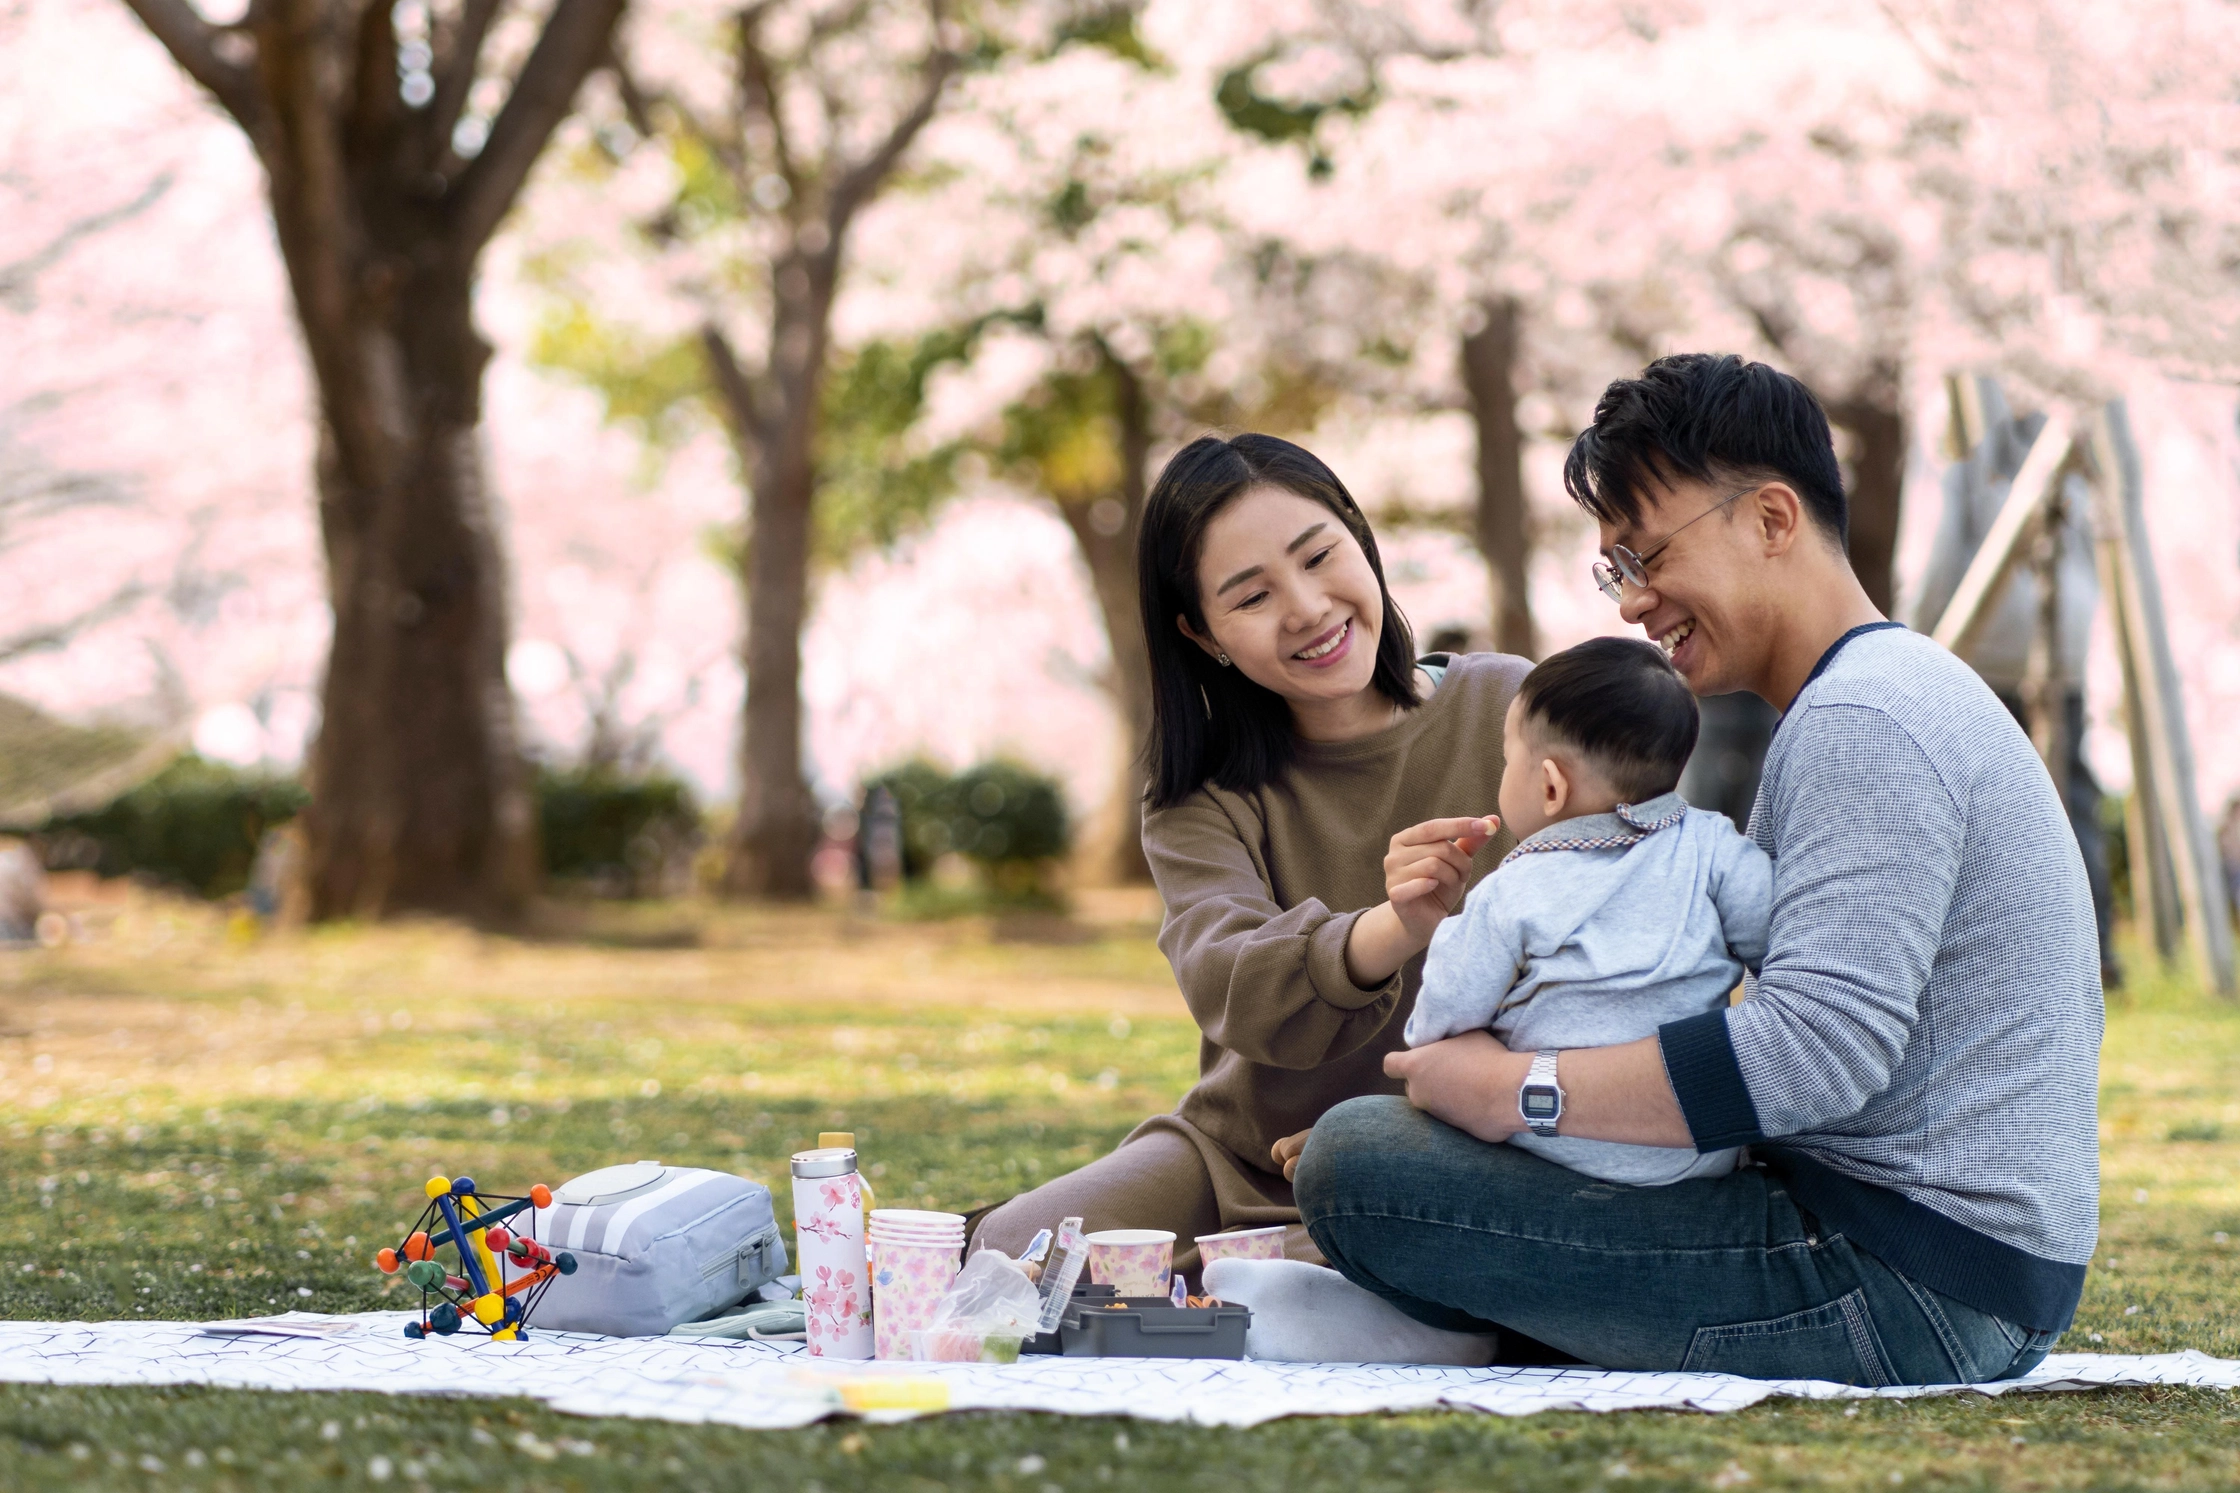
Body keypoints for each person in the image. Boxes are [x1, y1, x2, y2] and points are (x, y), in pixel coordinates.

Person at [1291, 354, 2103, 1387]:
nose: (1631, 603)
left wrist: (1518, 1092)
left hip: (1905, 1279)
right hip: (1934, 1259)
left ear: (1769, 518)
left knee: (1361, 1169)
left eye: (1644, 555)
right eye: (1612, 569)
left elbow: (1813, 1050)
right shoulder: (1871, 695)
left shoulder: (1863, 718)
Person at [967, 433, 1531, 1284]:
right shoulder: (1197, 789)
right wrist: (1394, 925)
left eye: (1319, 556)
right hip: (1243, 1156)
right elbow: (1232, 978)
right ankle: (1290, 1278)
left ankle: (1304, 1277)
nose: (1305, 607)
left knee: (1364, 1264)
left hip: (1459, 1145)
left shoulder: (1513, 708)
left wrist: (1405, 1126)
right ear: (1203, 634)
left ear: (1360, 538)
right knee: (1011, 1259)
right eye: (1253, 596)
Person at [1403, 636, 1771, 1186]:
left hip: (1552, 1147)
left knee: (1370, 1136)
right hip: (1694, 1156)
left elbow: (1441, 1020)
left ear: (1551, 786)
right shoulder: (1713, 847)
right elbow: (1779, 936)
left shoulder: (1514, 889)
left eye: (1508, 759)